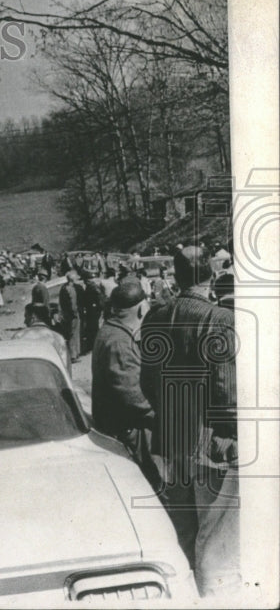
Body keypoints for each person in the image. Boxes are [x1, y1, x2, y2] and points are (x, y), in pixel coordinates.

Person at [140, 246, 239, 597]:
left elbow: (147, 381)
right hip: (208, 442)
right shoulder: (219, 319)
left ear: (177, 277)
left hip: (169, 438)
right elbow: (226, 392)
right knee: (214, 538)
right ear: (210, 276)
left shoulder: (155, 316)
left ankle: (184, 597)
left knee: (182, 529)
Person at [91, 280, 158, 487]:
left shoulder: (111, 330)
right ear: (140, 310)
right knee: (150, 483)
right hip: (129, 431)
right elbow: (133, 396)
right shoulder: (120, 342)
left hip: (119, 427)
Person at [11, 304, 68, 368]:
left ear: (33, 317)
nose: (25, 322)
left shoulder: (19, 336)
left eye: (26, 317)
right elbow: (64, 368)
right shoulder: (58, 338)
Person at [80, 270, 106, 355]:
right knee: (91, 327)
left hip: (93, 310)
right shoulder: (91, 286)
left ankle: (93, 345)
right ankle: (92, 344)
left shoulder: (93, 287)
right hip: (91, 309)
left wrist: (97, 307)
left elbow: (99, 299)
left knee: (93, 328)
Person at [58, 271, 82, 364]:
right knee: (73, 334)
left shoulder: (63, 287)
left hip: (66, 314)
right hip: (72, 315)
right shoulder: (71, 289)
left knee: (69, 333)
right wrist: (75, 313)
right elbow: (73, 304)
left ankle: (72, 353)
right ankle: (73, 355)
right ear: (73, 279)